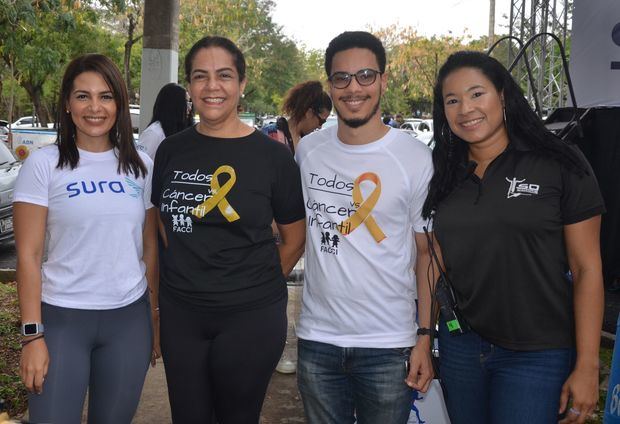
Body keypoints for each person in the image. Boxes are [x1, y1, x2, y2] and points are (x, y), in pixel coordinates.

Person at [422, 51, 605, 424]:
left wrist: (587, 364)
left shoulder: (560, 163)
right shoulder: (442, 171)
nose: (465, 109)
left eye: (477, 94)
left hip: (537, 353)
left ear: (503, 95)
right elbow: (433, 258)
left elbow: (586, 269)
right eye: (452, 100)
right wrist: (424, 336)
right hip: (460, 347)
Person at [151, 35, 306, 423]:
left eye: (224, 75)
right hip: (181, 315)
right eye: (200, 76)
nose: (212, 86)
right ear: (189, 86)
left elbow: (295, 238)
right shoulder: (170, 150)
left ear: (241, 83)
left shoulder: (273, 157)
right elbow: (162, 221)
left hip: (249, 319)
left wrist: (251, 286)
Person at [295, 31, 435, 423]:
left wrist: (425, 337)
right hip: (317, 339)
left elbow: (427, 254)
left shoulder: (415, 157)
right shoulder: (308, 152)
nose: (353, 88)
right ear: (330, 86)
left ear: (383, 81)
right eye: (342, 78)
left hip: (389, 344)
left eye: (365, 76)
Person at [13, 53, 158, 423]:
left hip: (128, 322)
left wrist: (153, 318)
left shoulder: (141, 167)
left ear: (120, 104)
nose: (95, 107)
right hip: (62, 320)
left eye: (106, 96)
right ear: (67, 103)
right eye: (83, 96)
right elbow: (28, 256)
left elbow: (149, 248)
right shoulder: (44, 165)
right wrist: (32, 336)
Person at [262, 80, 332, 155]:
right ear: (309, 113)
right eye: (321, 121)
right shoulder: (270, 134)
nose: (320, 127)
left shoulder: (308, 142)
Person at [137, 82, 194, 159]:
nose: (189, 108)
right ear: (173, 105)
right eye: (185, 102)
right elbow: (139, 165)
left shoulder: (182, 130)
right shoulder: (154, 133)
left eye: (189, 102)